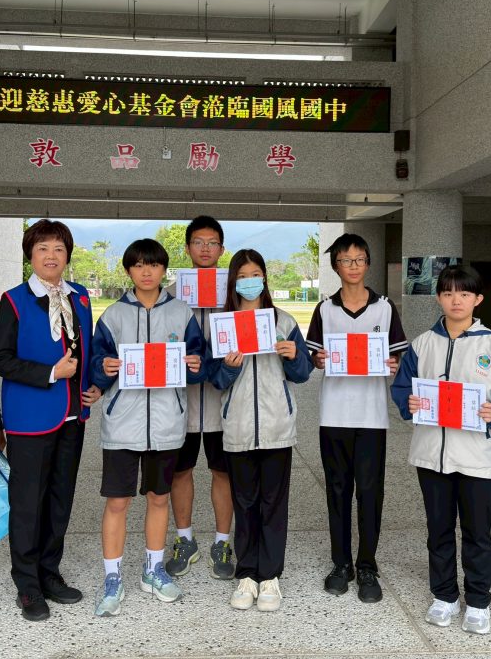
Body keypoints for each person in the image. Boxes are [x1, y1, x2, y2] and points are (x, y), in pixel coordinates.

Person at [390, 265, 491, 636]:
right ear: (439, 298)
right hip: (431, 455)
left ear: (477, 299)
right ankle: (444, 595)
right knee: (439, 529)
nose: (456, 300)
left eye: (464, 293)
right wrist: (410, 403)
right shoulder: (423, 344)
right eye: (448, 293)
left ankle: (478, 601)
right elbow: (402, 388)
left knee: (478, 532)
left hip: (477, 458)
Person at [89, 238, 208, 617]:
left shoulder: (181, 313)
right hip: (122, 425)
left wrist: (194, 364)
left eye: (153, 265)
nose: (146, 271)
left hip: (167, 423)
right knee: (117, 502)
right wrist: (103, 368)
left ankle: (153, 569)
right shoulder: (112, 316)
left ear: (163, 270)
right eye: (138, 265)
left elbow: (200, 360)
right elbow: (96, 364)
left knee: (159, 497)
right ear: (128, 270)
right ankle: (112, 577)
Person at [0, 219, 99, 622]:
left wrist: (94, 384)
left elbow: (87, 352)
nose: (51, 256)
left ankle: (50, 573)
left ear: (67, 254)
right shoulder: (14, 300)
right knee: (27, 504)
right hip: (30, 419)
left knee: (59, 500)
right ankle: (27, 585)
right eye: (42, 249)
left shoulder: (80, 297)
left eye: (58, 248)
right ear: (30, 256)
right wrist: (52, 373)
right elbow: (1, 359)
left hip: (73, 416)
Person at [305, 233, 406, 603]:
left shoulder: (385, 308)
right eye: (346, 260)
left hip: (372, 416)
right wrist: (318, 360)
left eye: (359, 259)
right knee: (337, 490)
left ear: (367, 263)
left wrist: (393, 364)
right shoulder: (325, 310)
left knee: (369, 491)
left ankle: (367, 564)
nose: (353, 266)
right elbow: (313, 355)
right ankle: (341, 563)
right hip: (334, 413)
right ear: (336, 266)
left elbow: (398, 356)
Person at [210, 249, 313, 612]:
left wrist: (293, 356)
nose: (249, 281)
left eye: (255, 274)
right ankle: (246, 575)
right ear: (233, 281)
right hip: (237, 426)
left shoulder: (283, 321)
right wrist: (229, 367)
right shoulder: (222, 324)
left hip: (276, 426)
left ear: (265, 278)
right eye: (242, 276)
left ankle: (269, 576)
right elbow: (215, 380)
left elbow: (302, 374)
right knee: (245, 503)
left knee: (273, 504)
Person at [165, 216, 236, 580]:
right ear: (188, 248)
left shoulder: (235, 293)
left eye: (212, 243)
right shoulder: (170, 294)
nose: (205, 249)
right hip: (182, 403)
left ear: (222, 249)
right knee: (181, 471)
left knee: (223, 472)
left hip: (224, 404)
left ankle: (223, 542)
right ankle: (185, 538)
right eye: (198, 242)